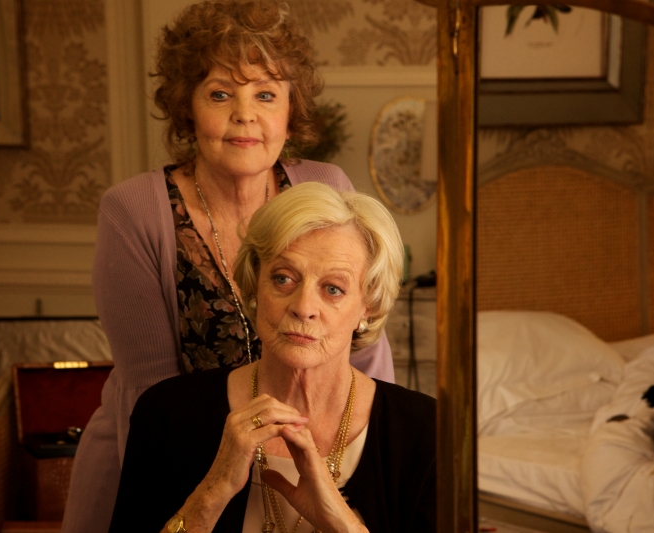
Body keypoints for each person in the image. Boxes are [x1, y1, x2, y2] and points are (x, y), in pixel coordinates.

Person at [61, 2, 394, 531]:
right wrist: (215, 493)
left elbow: (367, 356)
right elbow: (153, 399)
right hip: (183, 470)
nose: (245, 114)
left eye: (266, 94)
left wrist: (359, 478)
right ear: (187, 107)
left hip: (317, 460)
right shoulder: (134, 212)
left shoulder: (325, 188)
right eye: (220, 94)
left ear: (290, 109)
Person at [108, 183, 436, 532]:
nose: (303, 307)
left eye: (333, 289)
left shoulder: (425, 430)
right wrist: (213, 491)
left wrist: (344, 524)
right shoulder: (167, 414)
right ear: (255, 285)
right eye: (283, 279)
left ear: (367, 306)